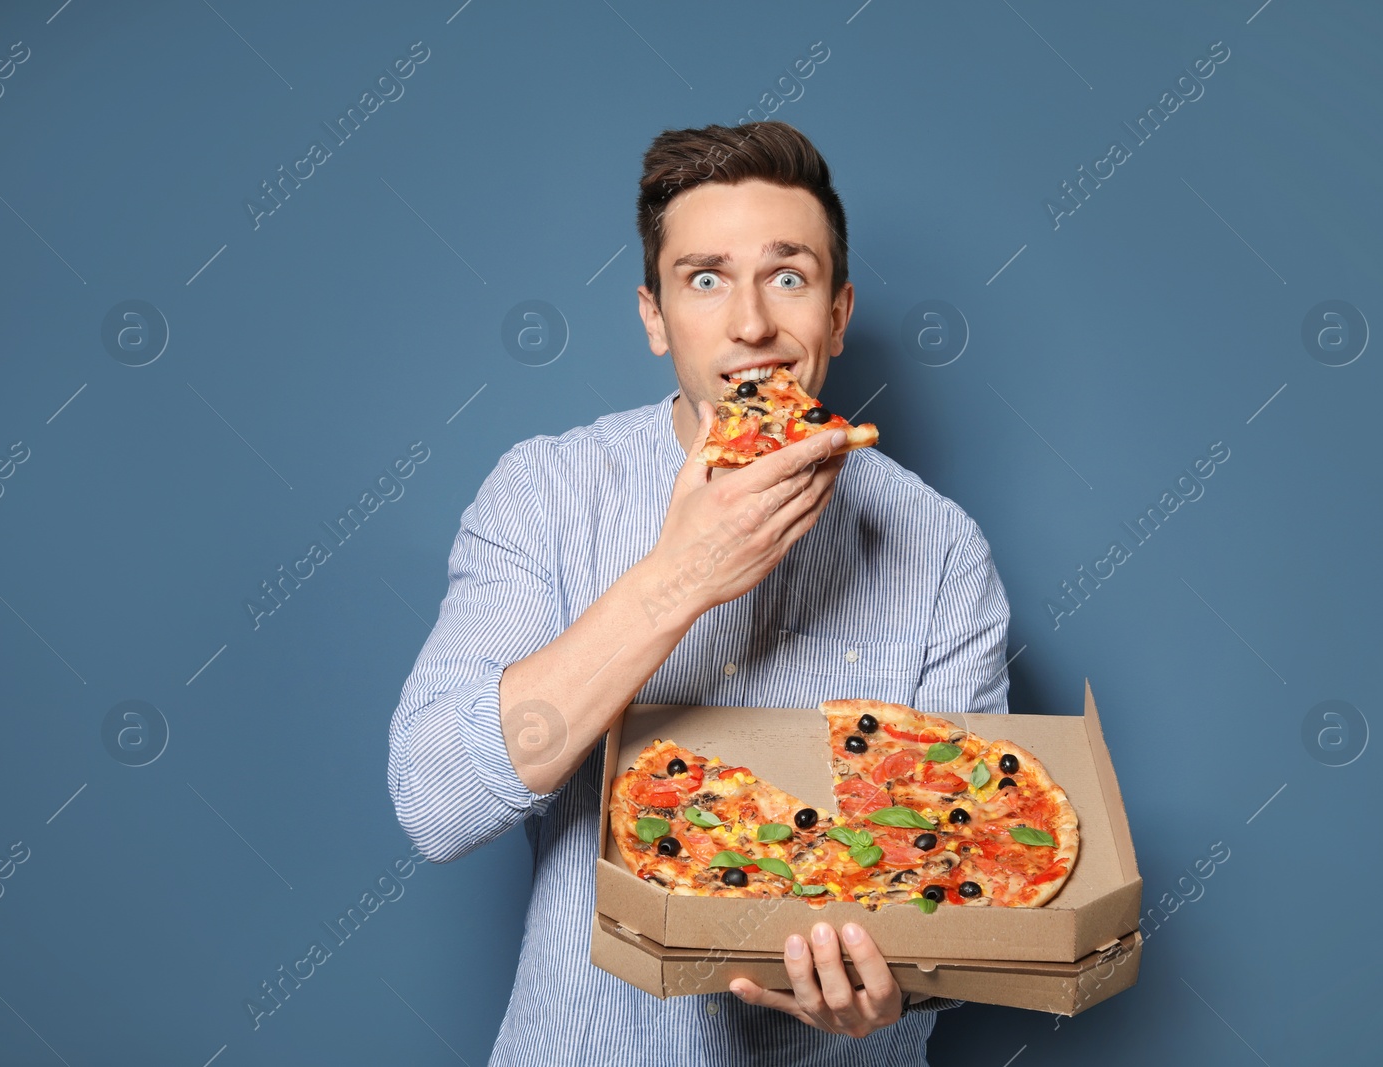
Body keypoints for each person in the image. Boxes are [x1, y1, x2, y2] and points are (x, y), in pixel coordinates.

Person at [387, 120, 1011, 1066]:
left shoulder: (942, 547)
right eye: (706, 278)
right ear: (654, 315)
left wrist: (906, 986)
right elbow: (434, 797)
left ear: (838, 314)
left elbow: (968, 874)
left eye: (788, 275)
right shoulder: (545, 491)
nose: (751, 324)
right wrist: (680, 577)